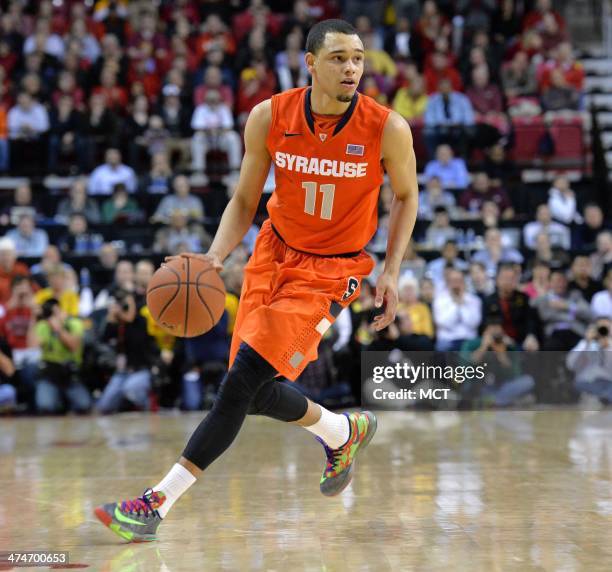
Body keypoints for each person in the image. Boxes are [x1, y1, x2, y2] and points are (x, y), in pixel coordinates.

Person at [95, 19, 418, 542]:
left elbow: (407, 196)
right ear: (310, 64)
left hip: (333, 270)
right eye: (338, 58)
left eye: (357, 57)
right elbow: (245, 198)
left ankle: (154, 505)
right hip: (271, 255)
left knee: (239, 385)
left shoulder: (388, 127)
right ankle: (343, 431)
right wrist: (214, 257)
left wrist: (393, 269)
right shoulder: (270, 116)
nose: (352, 68)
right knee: (256, 390)